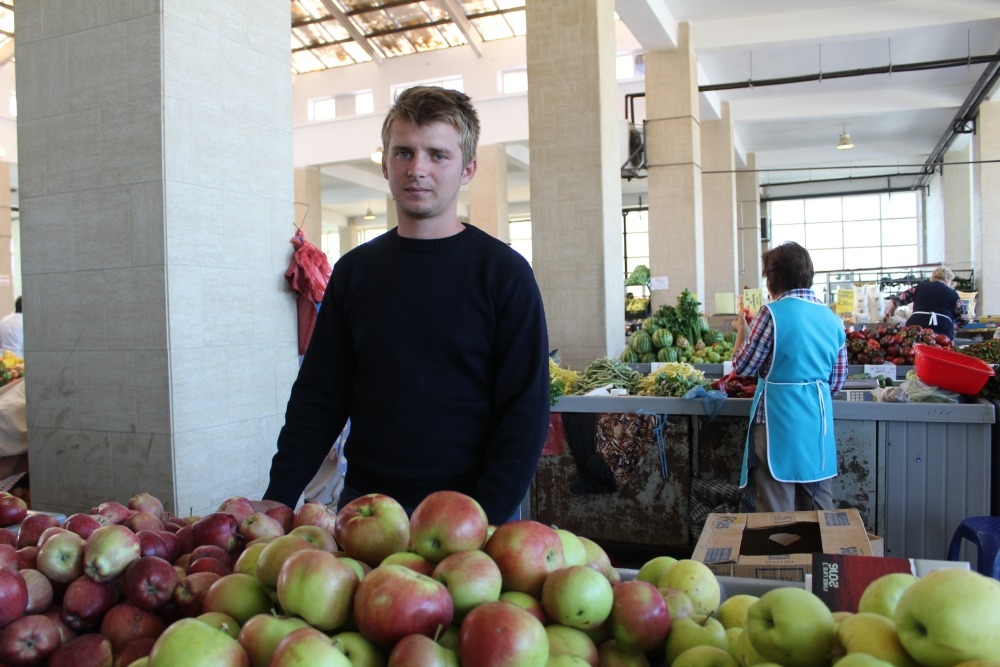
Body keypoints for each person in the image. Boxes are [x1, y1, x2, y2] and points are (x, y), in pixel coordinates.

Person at [263, 86, 551, 524]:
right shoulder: (355, 272)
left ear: (468, 168)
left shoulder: (504, 274)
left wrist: (484, 521)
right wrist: (278, 500)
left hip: (473, 512)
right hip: (369, 511)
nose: (418, 169)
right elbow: (319, 398)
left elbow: (525, 413)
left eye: (438, 154)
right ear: (384, 163)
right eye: (403, 152)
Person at [731, 242, 847, 513]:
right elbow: (837, 382)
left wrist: (741, 331)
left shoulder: (771, 313)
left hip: (776, 421)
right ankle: (824, 556)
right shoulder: (832, 319)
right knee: (819, 508)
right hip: (817, 424)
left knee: (776, 511)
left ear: (772, 280)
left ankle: (779, 557)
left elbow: (744, 367)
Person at [884, 266, 969, 340]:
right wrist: (953, 327)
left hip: (916, 325)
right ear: (948, 279)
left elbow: (896, 300)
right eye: (951, 282)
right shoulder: (953, 294)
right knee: (940, 353)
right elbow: (964, 319)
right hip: (943, 327)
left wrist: (889, 314)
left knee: (914, 351)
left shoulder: (919, 287)